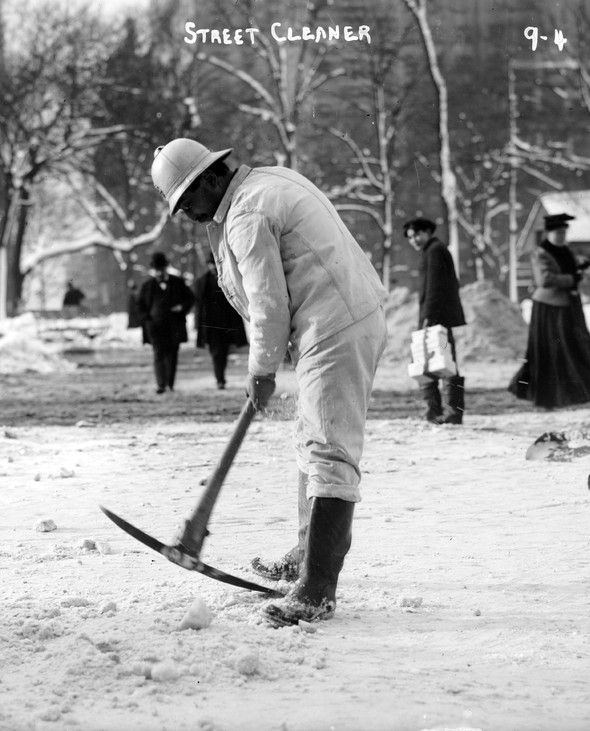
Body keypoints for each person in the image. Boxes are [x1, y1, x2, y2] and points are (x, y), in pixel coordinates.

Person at [150, 138, 388, 627]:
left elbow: (268, 304)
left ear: (210, 178)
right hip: (337, 319)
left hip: (334, 326)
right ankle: (306, 555)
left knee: (328, 453)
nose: (186, 214)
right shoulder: (266, 183)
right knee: (310, 443)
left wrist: (261, 371)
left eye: (187, 201)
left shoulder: (246, 214)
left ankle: (316, 590)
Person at [508, 213, 590, 409]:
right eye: (558, 233)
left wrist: (582, 266)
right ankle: (553, 394)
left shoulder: (566, 250)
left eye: (564, 232)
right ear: (549, 233)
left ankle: (579, 390)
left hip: (569, 305)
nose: (562, 236)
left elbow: (572, 263)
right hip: (549, 309)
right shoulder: (541, 253)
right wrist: (573, 277)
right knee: (553, 351)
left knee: (578, 346)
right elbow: (544, 280)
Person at [404, 217, 467, 424]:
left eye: (417, 235)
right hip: (437, 317)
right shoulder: (433, 249)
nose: (413, 240)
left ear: (427, 232)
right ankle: (441, 412)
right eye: (410, 238)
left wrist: (428, 317)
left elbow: (435, 287)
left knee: (440, 363)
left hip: (436, 318)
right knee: (439, 362)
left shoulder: (434, 250)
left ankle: (444, 413)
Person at [135, 251, 195, 394]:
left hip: (174, 326)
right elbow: (139, 305)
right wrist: (147, 319)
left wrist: (181, 307)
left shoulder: (178, 282)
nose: (159, 272)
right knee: (158, 354)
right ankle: (161, 384)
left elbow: (190, 298)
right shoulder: (147, 286)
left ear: (165, 268)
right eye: (156, 270)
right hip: (155, 326)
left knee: (172, 355)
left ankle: (170, 384)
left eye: (161, 269)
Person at [193, 260, 248, 389]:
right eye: (211, 264)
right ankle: (220, 379)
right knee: (217, 352)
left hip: (226, 322)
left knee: (223, 351)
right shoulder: (202, 281)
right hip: (210, 324)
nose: (213, 267)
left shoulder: (228, 278)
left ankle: (220, 377)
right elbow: (198, 304)